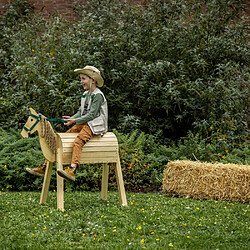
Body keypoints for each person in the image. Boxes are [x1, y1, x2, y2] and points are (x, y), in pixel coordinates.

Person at [26, 66, 108, 181]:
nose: (81, 82)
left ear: (93, 80)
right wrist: (71, 119)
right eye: (81, 79)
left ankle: (73, 169)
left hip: (95, 125)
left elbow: (92, 115)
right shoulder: (86, 94)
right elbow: (81, 112)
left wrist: (75, 121)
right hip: (85, 123)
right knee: (63, 137)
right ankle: (44, 167)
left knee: (78, 141)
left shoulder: (98, 95)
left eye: (83, 79)